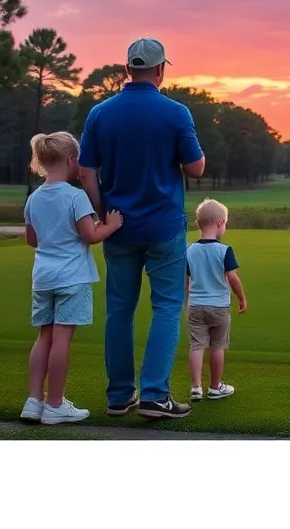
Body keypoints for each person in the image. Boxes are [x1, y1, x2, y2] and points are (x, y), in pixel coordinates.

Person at [78, 38, 206, 420]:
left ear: (127, 68)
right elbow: (196, 168)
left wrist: (103, 213)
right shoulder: (176, 112)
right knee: (167, 307)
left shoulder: (100, 113)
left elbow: (86, 172)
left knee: (119, 311)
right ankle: (154, 395)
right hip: (163, 226)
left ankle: (119, 396)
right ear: (161, 69)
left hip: (118, 227)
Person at [21, 132, 123, 424]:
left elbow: (32, 239)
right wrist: (111, 225)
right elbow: (90, 235)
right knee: (62, 340)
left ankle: (34, 401)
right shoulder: (76, 196)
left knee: (44, 337)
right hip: (71, 277)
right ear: (70, 159)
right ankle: (55, 404)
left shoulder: (33, 199)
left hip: (43, 277)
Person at [185, 198, 248, 402]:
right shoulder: (224, 250)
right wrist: (241, 298)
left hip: (196, 305)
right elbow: (232, 278)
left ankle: (196, 387)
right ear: (220, 223)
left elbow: (185, 280)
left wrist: (186, 301)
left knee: (196, 346)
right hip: (219, 306)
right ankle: (215, 387)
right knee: (217, 346)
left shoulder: (189, 250)